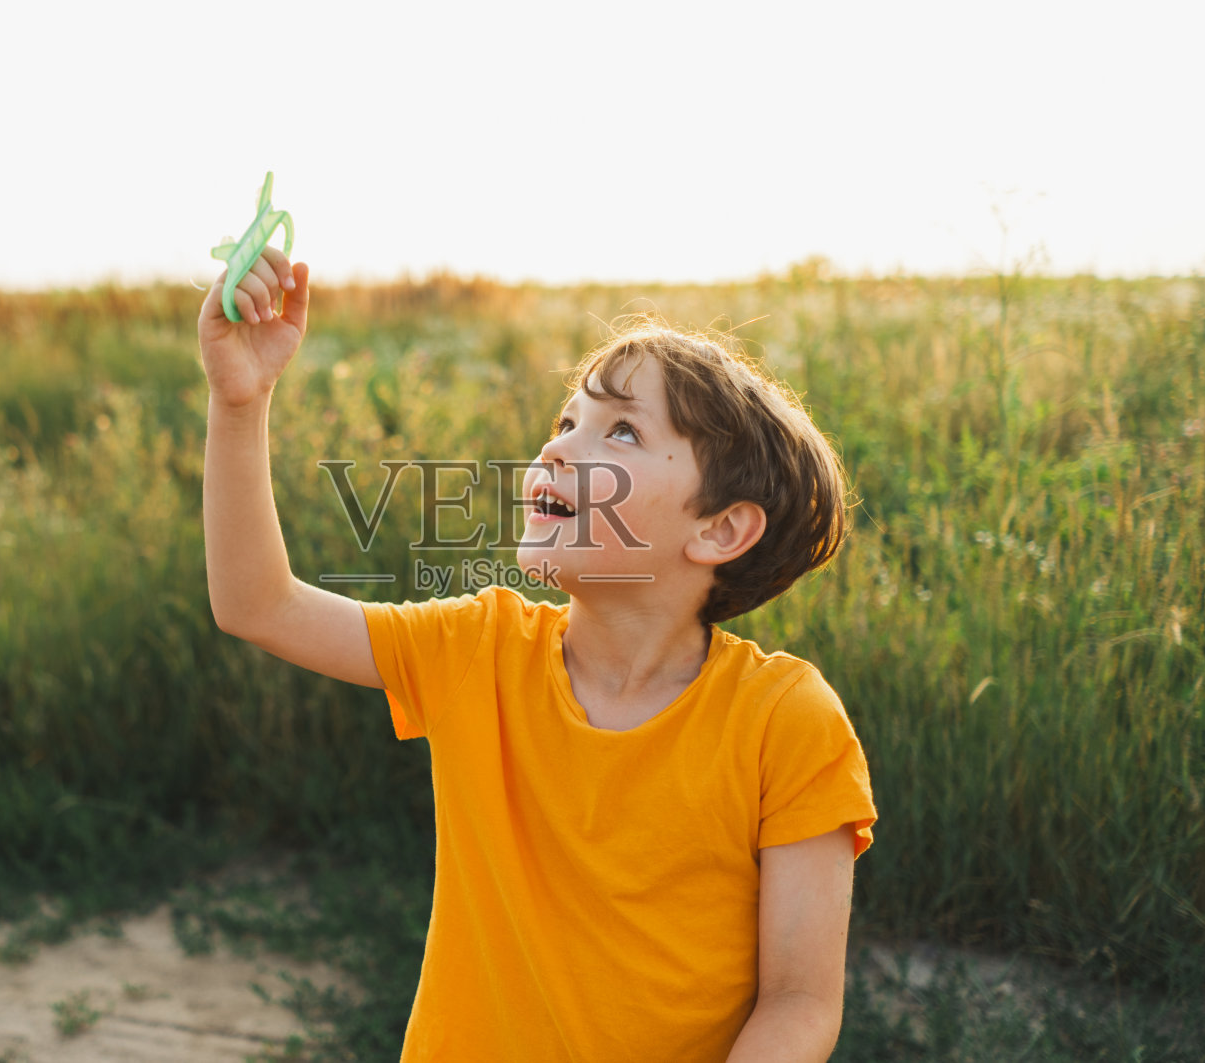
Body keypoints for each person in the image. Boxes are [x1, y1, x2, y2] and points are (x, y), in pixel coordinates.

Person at [200, 244, 877, 1063]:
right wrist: (240, 402)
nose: (557, 449)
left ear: (719, 529)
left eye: (621, 431)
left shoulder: (786, 722)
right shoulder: (478, 650)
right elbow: (257, 604)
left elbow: (800, 1003)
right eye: (567, 421)